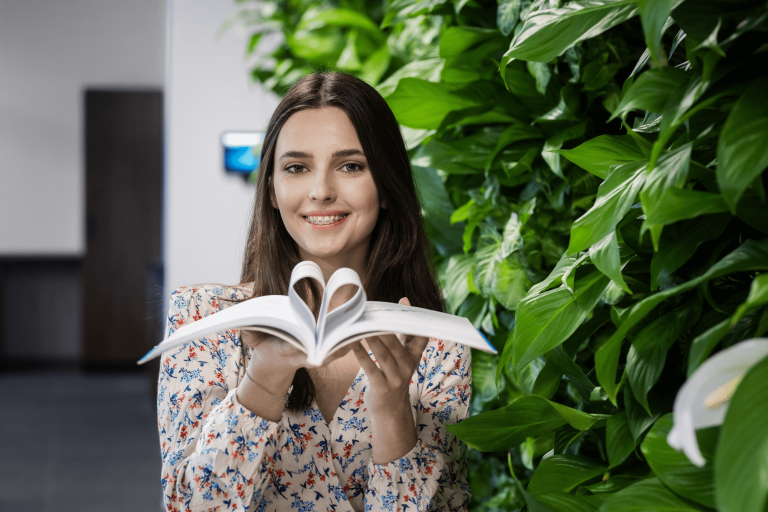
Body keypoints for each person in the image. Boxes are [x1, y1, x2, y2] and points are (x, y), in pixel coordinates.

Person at [157, 72, 472, 512]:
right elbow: (189, 505)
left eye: (351, 166)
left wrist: (390, 411)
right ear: (271, 188)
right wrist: (263, 377)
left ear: (385, 187)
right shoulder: (201, 318)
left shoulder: (435, 345)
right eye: (296, 168)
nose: (321, 191)